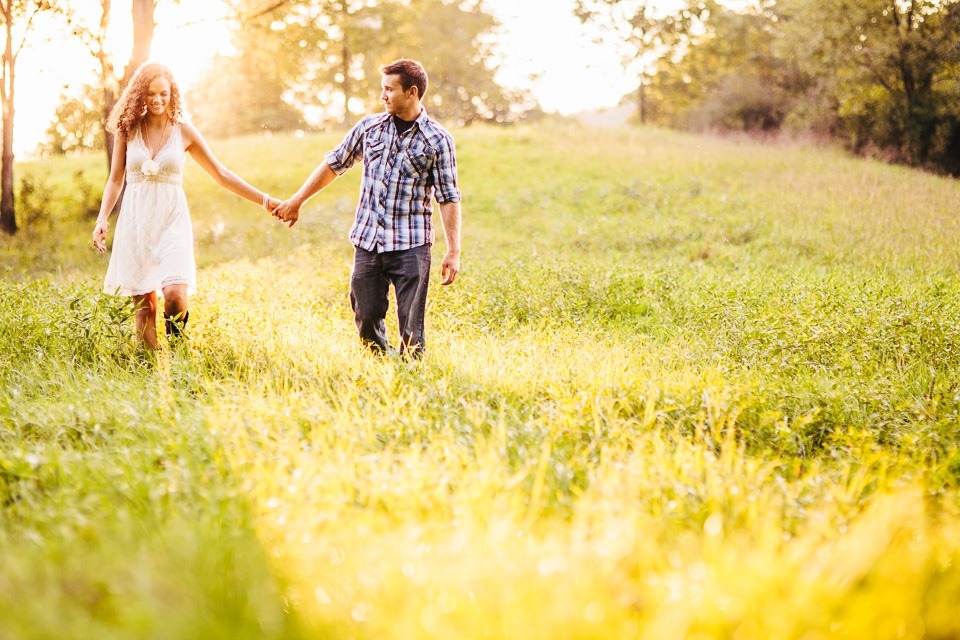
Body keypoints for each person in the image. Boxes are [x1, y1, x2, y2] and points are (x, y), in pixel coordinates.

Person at [272, 58, 462, 359]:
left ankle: (411, 381)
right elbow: (334, 164)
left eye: (389, 89)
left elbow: (448, 196)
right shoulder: (369, 128)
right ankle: (382, 365)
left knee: (412, 329)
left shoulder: (438, 140)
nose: (382, 96)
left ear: (411, 92)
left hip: (411, 244)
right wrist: (296, 201)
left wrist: (453, 250)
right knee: (366, 317)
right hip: (368, 241)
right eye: (382, 89)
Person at [92, 62, 279, 350]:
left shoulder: (185, 132)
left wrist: (266, 201)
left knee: (175, 294)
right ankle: (149, 378)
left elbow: (222, 174)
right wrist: (102, 219)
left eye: (163, 94)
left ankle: (179, 353)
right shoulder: (127, 130)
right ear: (140, 95)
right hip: (136, 223)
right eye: (150, 94)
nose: (157, 100)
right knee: (145, 308)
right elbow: (116, 179)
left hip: (172, 222)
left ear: (173, 93)